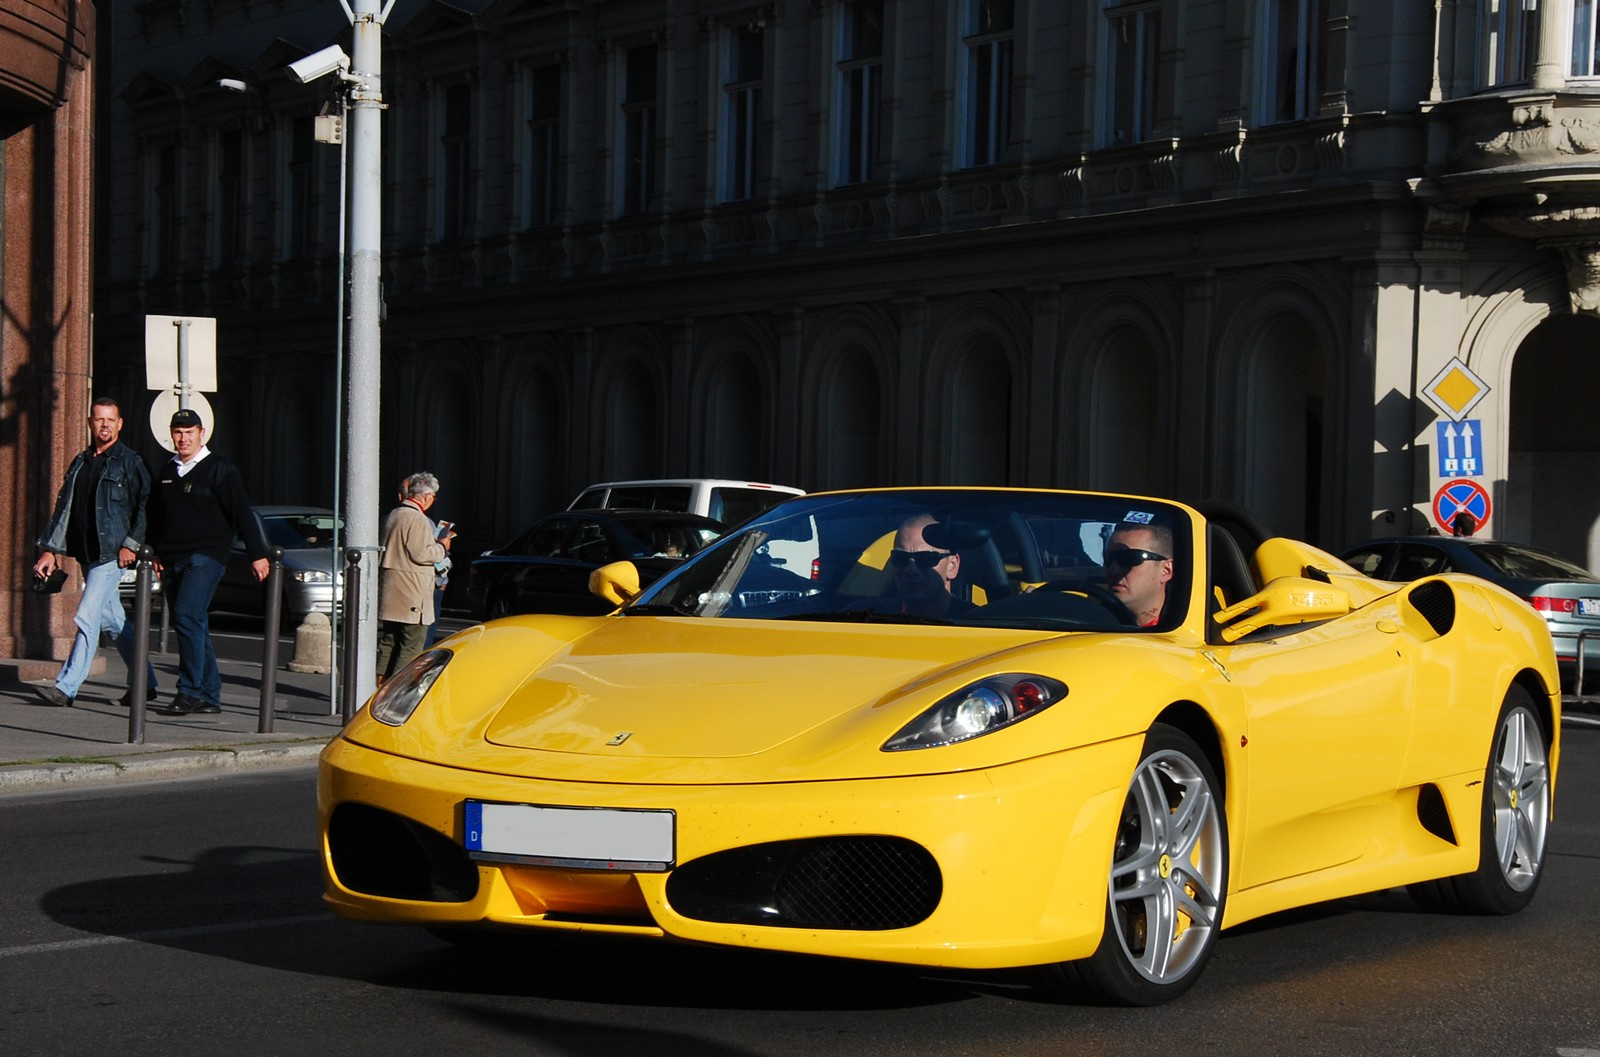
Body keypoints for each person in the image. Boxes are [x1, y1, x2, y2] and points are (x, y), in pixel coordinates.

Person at [30, 397, 158, 708]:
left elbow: (147, 505)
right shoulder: (81, 461)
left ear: (120, 423)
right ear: (91, 422)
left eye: (110, 420)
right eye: (99, 419)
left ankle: (66, 687)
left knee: (87, 616)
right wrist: (50, 551)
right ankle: (147, 683)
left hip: (112, 554)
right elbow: (65, 510)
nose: (104, 425)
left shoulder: (131, 462)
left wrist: (131, 543)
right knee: (113, 621)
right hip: (87, 554)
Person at [147, 408, 270, 716]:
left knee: (188, 616)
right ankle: (209, 694)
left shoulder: (220, 468)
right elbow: (157, 517)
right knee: (193, 623)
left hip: (206, 555)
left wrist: (257, 553)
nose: (183, 438)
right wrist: (155, 551)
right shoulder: (166, 471)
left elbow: (242, 511)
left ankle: (188, 691)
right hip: (173, 556)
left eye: (189, 432)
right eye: (178, 432)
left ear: (202, 434)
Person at [377, 472, 454, 677]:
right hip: (412, 591)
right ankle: (397, 691)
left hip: (391, 589)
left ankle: (377, 686)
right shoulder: (417, 519)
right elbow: (421, 554)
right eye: (434, 497)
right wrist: (442, 547)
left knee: (389, 641)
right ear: (427, 496)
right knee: (411, 646)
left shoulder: (392, 515)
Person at [889, 513, 969, 619]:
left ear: (952, 566)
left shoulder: (980, 623)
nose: (911, 570)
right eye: (900, 558)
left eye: (925, 558)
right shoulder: (868, 618)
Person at [1104, 521, 1175, 627]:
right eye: (1109, 558)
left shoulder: (1191, 631)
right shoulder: (1085, 620)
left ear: (1166, 570)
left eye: (1129, 558)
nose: (1114, 570)